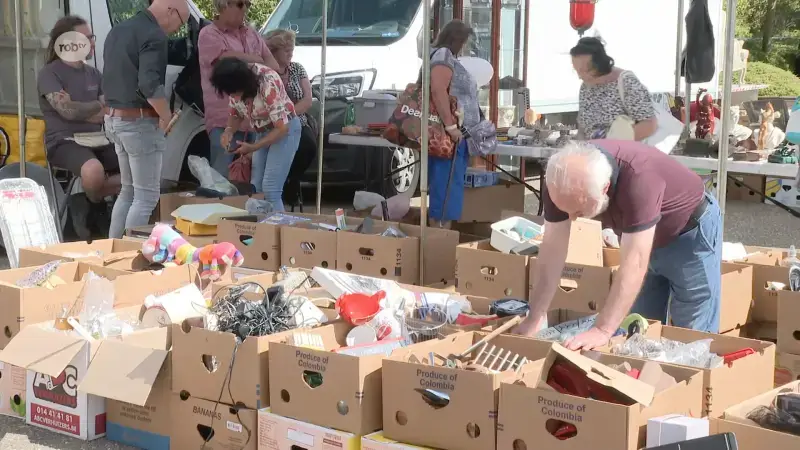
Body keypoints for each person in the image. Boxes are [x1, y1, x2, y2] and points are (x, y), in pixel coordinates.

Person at [516, 140, 722, 349]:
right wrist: (534, 317)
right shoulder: (561, 181)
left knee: (692, 339)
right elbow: (552, 250)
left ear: (605, 188)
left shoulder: (638, 181)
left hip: (688, 234)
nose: (572, 218)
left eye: (579, 212)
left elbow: (635, 262)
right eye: (565, 210)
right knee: (639, 334)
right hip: (638, 238)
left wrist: (602, 330)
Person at [103, 0, 187, 239]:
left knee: (128, 192)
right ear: (171, 11)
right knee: (146, 196)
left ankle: (113, 250)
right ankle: (130, 254)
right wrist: (166, 114)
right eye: (180, 23)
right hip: (139, 122)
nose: (176, 31)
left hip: (115, 119)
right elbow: (149, 84)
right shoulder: (154, 34)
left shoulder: (118, 29)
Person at [37, 15, 120, 239]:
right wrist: (95, 105)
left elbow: (107, 112)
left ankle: (86, 202)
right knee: (93, 171)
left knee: (136, 165)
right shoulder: (49, 73)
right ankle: (94, 204)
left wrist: (79, 109)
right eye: (86, 38)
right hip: (64, 141)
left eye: (91, 37)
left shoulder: (94, 73)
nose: (92, 42)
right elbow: (66, 111)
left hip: (99, 139)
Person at [199, 0, 279, 178]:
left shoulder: (252, 34)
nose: (246, 9)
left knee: (254, 180)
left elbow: (274, 66)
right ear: (223, 5)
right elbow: (226, 62)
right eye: (241, 3)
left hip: (257, 122)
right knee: (222, 179)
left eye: (248, 4)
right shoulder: (208, 34)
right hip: (225, 120)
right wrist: (256, 58)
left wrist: (247, 59)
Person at [210, 58, 301, 211]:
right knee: (257, 188)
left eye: (233, 91)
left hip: (285, 130)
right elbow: (236, 113)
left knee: (271, 188)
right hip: (262, 130)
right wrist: (228, 131)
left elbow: (281, 128)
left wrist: (253, 147)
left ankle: (279, 231)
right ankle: (261, 229)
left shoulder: (267, 83)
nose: (232, 95)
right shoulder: (236, 85)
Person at [428, 19, 477, 228]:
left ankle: (442, 234)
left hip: (455, 134)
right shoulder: (443, 56)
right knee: (445, 189)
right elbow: (438, 90)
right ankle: (440, 238)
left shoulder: (446, 56)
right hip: (448, 136)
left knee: (449, 187)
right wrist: (451, 126)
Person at [264, 29, 316, 209]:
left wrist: (289, 114)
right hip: (271, 124)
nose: (291, 53)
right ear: (274, 51)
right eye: (286, 50)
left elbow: (308, 99)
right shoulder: (266, 71)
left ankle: (291, 179)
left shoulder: (297, 68)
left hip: (297, 119)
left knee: (308, 146)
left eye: (292, 49)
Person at [570, 37, 657, 141]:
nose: (580, 76)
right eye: (576, 70)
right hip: (594, 153)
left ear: (598, 66)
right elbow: (583, 128)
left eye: (583, 70)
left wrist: (614, 143)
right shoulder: (585, 86)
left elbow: (649, 125)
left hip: (621, 153)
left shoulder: (626, 83)